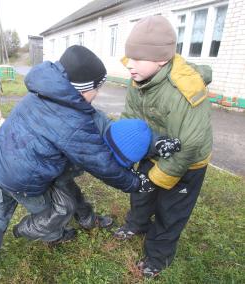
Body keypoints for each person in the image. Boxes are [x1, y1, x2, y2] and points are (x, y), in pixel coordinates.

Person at [0, 45, 154, 284]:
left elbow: (96, 119)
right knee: (57, 211)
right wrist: (136, 183)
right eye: (97, 87)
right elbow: (102, 164)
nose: (97, 94)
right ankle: (44, 233)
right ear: (84, 88)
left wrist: (153, 143)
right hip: (23, 181)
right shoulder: (71, 120)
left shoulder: (45, 91)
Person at [113, 15, 213, 278]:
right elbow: (130, 118)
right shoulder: (138, 79)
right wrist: (125, 149)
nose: (130, 66)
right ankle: (137, 224)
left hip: (188, 160)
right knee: (141, 193)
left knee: (171, 210)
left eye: (137, 59)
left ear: (161, 60)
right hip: (156, 148)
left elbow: (190, 144)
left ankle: (158, 257)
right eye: (129, 57)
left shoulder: (186, 88)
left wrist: (158, 177)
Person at [12, 116, 181, 243]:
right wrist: (135, 182)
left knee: (73, 193)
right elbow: (109, 172)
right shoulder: (92, 151)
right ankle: (25, 230)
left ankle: (88, 220)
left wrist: (156, 142)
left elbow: (137, 134)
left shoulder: (106, 127)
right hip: (37, 172)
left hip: (59, 169)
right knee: (63, 208)